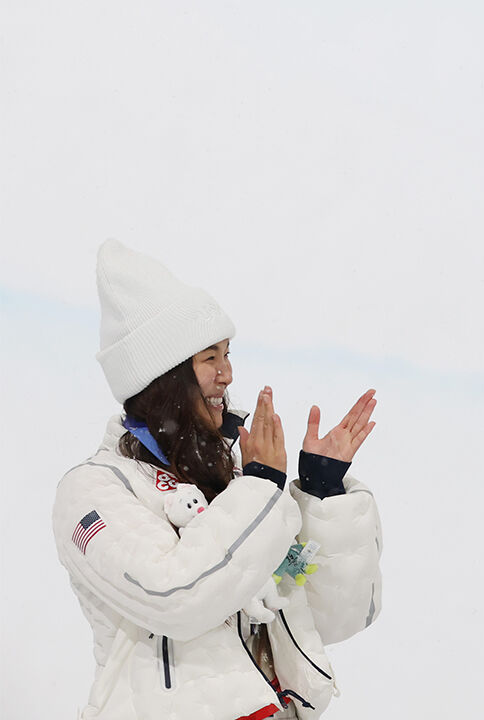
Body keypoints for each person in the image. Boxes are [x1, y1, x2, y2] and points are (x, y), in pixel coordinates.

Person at [53, 240, 384, 720]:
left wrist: (319, 491)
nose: (227, 374)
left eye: (228, 355)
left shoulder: (233, 477)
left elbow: (336, 617)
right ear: (164, 377)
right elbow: (178, 596)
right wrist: (261, 487)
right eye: (210, 358)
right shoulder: (94, 491)